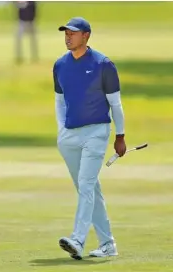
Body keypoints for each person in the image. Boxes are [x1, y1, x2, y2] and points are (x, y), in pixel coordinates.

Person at [53, 17, 126, 260]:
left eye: (72, 33)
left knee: (85, 186)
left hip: (97, 131)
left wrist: (120, 135)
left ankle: (78, 239)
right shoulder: (60, 65)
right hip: (69, 136)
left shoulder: (103, 64)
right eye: (66, 33)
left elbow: (115, 104)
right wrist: (61, 130)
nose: (67, 36)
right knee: (88, 188)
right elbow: (60, 101)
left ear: (86, 36)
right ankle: (107, 244)